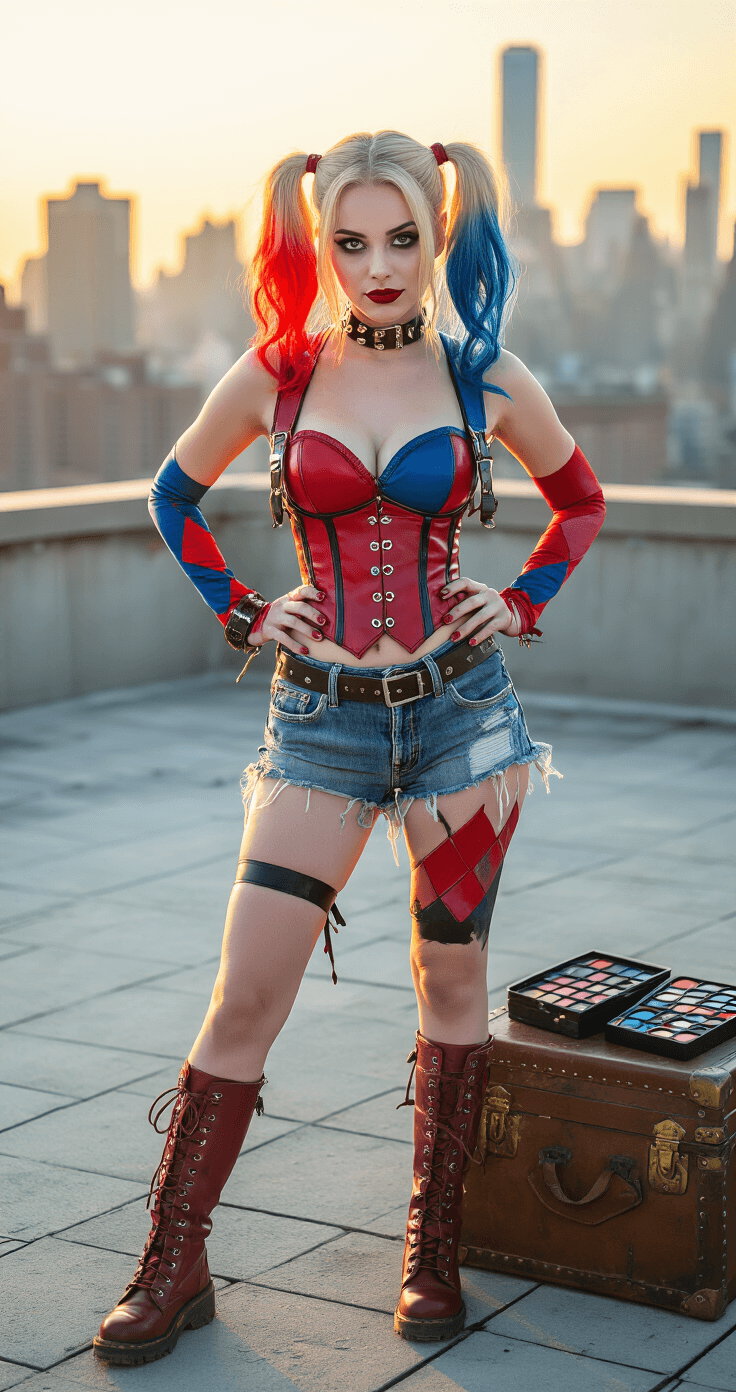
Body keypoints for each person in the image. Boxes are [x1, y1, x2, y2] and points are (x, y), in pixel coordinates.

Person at [93, 131, 605, 1365]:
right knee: (246, 994)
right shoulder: (277, 373)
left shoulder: (484, 377)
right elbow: (170, 495)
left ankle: (432, 1251)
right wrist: (241, 610)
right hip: (319, 725)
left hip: (464, 723)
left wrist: (520, 600)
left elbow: (580, 500)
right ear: (320, 243)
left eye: (403, 239)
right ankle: (172, 1262)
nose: (379, 266)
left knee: (453, 988)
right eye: (352, 242)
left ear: (438, 237)